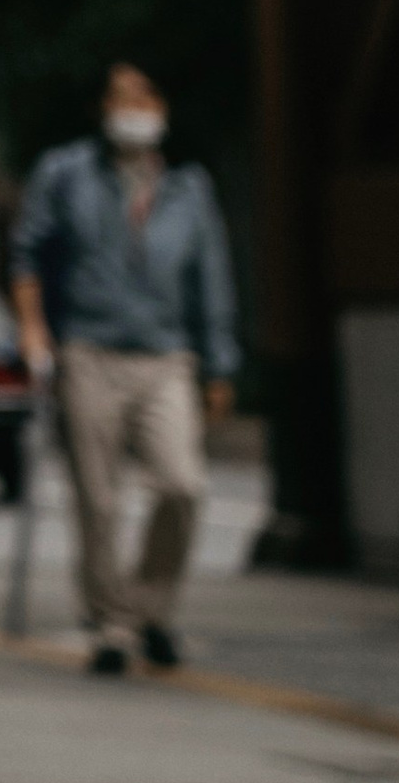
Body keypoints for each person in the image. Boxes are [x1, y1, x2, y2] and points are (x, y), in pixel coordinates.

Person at [12, 63, 239, 677]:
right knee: (98, 498)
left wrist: (219, 365)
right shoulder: (65, 173)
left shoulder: (190, 188)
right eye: (120, 98)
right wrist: (35, 330)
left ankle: (152, 607)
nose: (134, 107)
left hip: (167, 355)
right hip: (89, 350)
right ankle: (112, 625)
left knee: (181, 485)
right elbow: (27, 251)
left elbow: (210, 280)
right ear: (99, 109)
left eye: (145, 95)